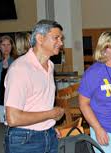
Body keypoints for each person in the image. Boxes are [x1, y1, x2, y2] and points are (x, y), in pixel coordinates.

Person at [4, 19, 65, 153]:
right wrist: (51, 114)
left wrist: (48, 126)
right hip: (24, 140)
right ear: (40, 38)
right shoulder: (20, 69)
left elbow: (37, 104)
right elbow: (13, 118)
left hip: (47, 135)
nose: (61, 43)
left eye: (61, 38)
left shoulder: (50, 65)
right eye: (56, 38)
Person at [0, 35, 17, 123]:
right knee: (2, 126)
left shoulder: (16, 61)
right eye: (3, 45)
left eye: (8, 45)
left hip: (14, 101)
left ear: (12, 46)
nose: (6, 47)